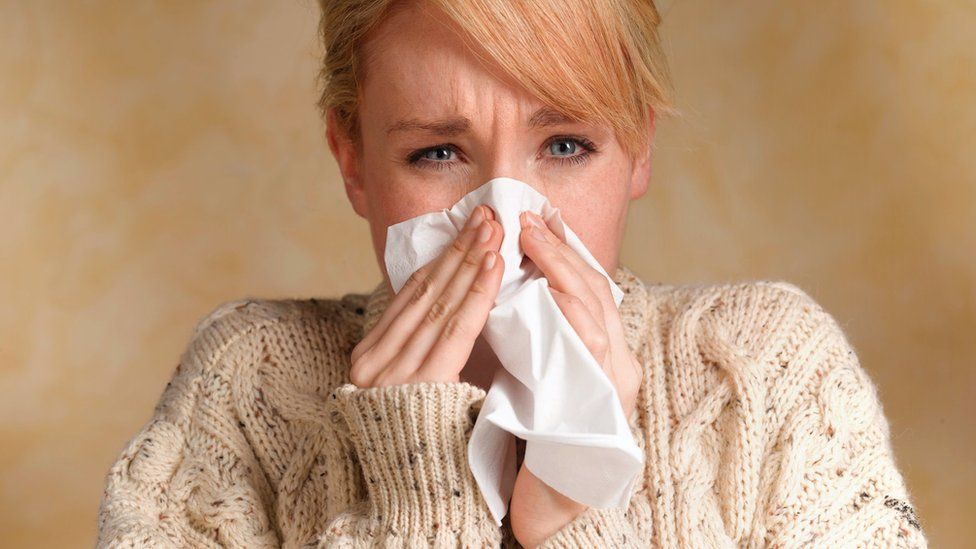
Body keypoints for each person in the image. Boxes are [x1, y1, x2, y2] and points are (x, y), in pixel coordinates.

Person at [96, 0, 927, 547]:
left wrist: (578, 504)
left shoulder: (769, 370)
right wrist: (421, 498)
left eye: (565, 145)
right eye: (437, 152)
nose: (506, 223)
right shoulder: (247, 384)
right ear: (352, 159)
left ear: (637, 144)